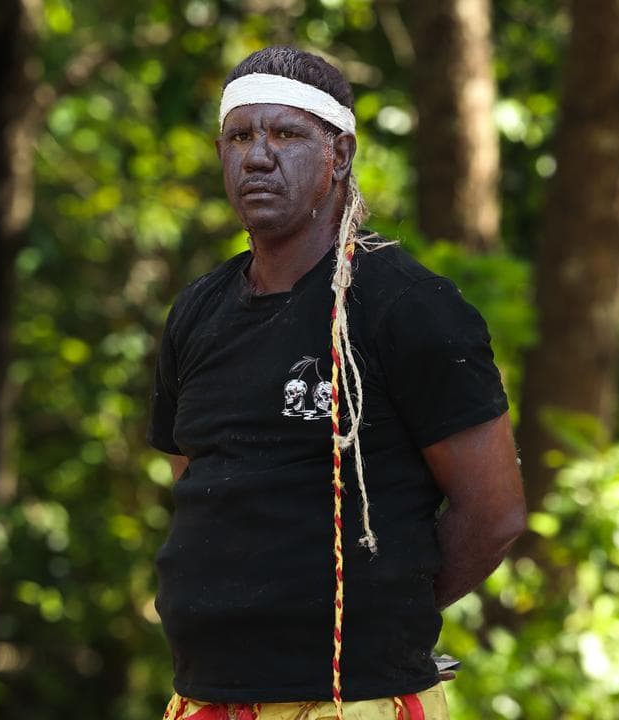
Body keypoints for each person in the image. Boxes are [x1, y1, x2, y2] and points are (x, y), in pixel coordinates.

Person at [148, 46, 526, 720]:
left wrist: (384, 610)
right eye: (239, 136)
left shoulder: (406, 306)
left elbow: (494, 514)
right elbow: (199, 485)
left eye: (286, 133)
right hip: (204, 697)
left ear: (340, 155)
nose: (258, 156)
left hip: (351, 702)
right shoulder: (197, 313)